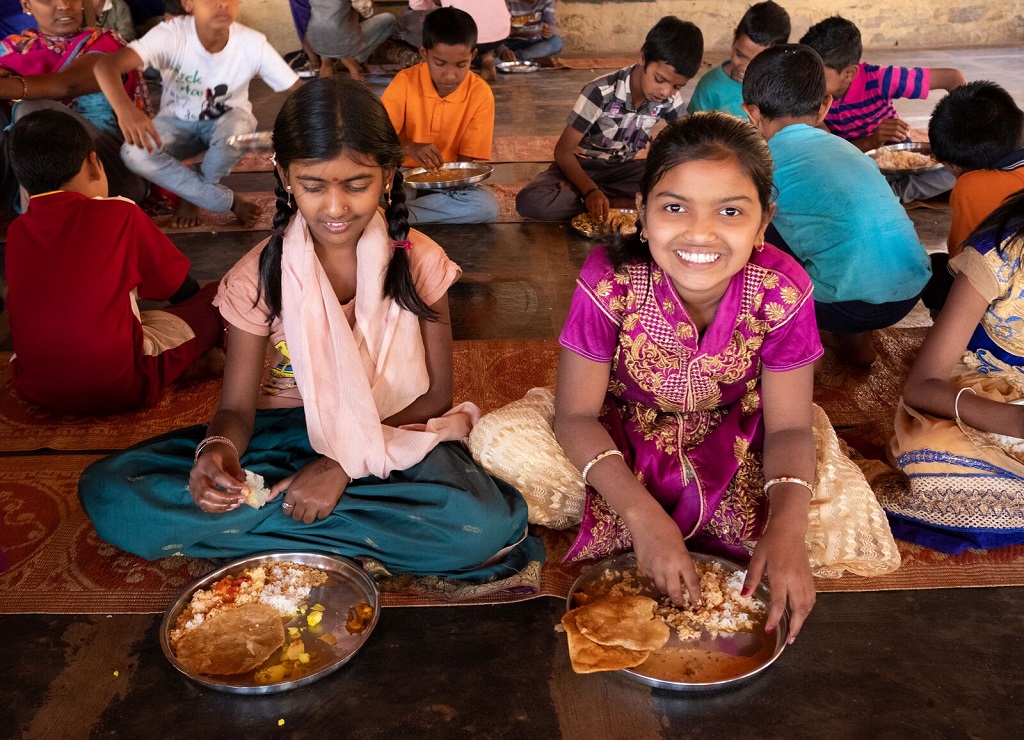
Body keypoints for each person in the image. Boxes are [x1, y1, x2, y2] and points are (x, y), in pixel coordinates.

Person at [79, 78, 541, 583]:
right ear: (284, 177)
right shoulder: (257, 279)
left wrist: (342, 464)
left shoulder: (421, 262)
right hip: (280, 440)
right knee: (110, 492)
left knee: (484, 521)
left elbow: (435, 396)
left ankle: (270, 526)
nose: (336, 208)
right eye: (313, 186)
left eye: (356, 184)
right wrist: (217, 453)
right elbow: (235, 410)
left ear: (388, 175)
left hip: (389, 432)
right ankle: (340, 527)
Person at [554, 111, 820, 642]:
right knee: (506, 449)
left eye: (730, 211)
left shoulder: (782, 288)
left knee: (821, 515)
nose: (700, 233)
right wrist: (641, 517)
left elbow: (791, 428)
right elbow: (574, 415)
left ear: (763, 221)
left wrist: (788, 528)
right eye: (675, 208)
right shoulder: (610, 279)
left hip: (739, 433)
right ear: (642, 215)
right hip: (621, 430)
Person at [4, 109, 224, 414]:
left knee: (83, 327)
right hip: (125, 385)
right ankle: (182, 366)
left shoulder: (16, 232)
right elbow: (178, 289)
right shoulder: (119, 213)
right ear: (95, 164)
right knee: (220, 297)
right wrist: (202, 318)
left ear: (24, 185)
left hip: (34, 386)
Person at [741, 44, 930, 367]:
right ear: (825, 105)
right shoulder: (852, 151)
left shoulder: (762, 164)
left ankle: (795, 359)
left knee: (750, 238)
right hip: (909, 291)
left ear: (751, 113)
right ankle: (857, 345)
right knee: (830, 234)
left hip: (843, 306)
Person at [888, 190, 1024, 554]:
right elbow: (922, 386)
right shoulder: (998, 256)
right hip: (986, 396)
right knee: (936, 451)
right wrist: (1014, 421)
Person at [93, 0, 300, 229]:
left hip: (228, 122)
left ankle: (190, 194)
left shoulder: (251, 43)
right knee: (134, 153)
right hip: (177, 123)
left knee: (235, 135)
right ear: (188, 4)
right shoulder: (172, 35)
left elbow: (298, 89)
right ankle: (227, 201)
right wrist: (126, 111)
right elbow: (105, 67)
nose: (222, 4)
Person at [515, 16, 703, 223]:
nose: (666, 91)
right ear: (643, 57)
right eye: (660, 79)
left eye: (677, 87)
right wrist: (589, 190)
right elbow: (563, 151)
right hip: (582, 166)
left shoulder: (669, 99)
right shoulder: (600, 92)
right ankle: (621, 203)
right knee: (531, 201)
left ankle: (600, 201)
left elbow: (687, 141)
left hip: (625, 170)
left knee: (681, 183)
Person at [799, 15, 964, 204]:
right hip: (853, 165)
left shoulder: (880, 79)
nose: (809, 81)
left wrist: (953, 136)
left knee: (954, 171)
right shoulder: (811, 97)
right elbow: (832, 152)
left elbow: (953, 79)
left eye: (817, 75)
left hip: (901, 166)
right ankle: (887, 194)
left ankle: (892, 193)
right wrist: (872, 141)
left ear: (849, 73)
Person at [0, 0, 148, 207]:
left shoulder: (104, 42)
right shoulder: (13, 49)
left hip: (107, 173)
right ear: (26, 5)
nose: (63, 5)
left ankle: (36, 218)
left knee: (32, 111)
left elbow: (66, 85)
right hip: (35, 176)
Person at [381, 6, 497, 225]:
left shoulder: (480, 93)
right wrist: (408, 148)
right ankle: (397, 211)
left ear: (473, 56)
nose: (450, 76)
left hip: (449, 182)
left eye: (461, 65)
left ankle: (389, 216)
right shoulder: (404, 82)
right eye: (440, 63)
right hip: (402, 174)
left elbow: (466, 163)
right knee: (373, 184)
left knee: (485, 206)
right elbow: (377, 141)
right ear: (424, 53)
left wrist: (451, 183)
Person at [920, 82, 1024, 312]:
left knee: (931, 268)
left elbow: (963, 265)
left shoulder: (971, 187)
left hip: (1011, 314)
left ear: (952, 167)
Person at [687, 0, 789, 120]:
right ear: (735, 37)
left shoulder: (782, 87)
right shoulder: (710, 86)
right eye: (740, 55)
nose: (745, 68)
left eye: (757, 62)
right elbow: (693, 132)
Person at [410, 0, 509, 81]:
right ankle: (483, 56)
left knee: (408, 20)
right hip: (500, 34)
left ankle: (444, 63)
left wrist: (439, 10)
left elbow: (417, 4)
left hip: (461, 34)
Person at [305, 0, 394, 81]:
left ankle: (326, 60)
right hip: (343, 39)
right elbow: (366, 12)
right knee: (389, 19)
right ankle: (353, 59)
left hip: (315, 41)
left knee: (327, 24)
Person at [499, 0, 562, 67]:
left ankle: (517, 59)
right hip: (511, 43)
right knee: (493, 51)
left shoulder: (547, 1)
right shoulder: (509, 2)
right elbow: (498, 34)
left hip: (534, 43)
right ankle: (532, 60)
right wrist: (503, 50)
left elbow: (551, 24)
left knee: (556, 42)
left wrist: (548, 32)